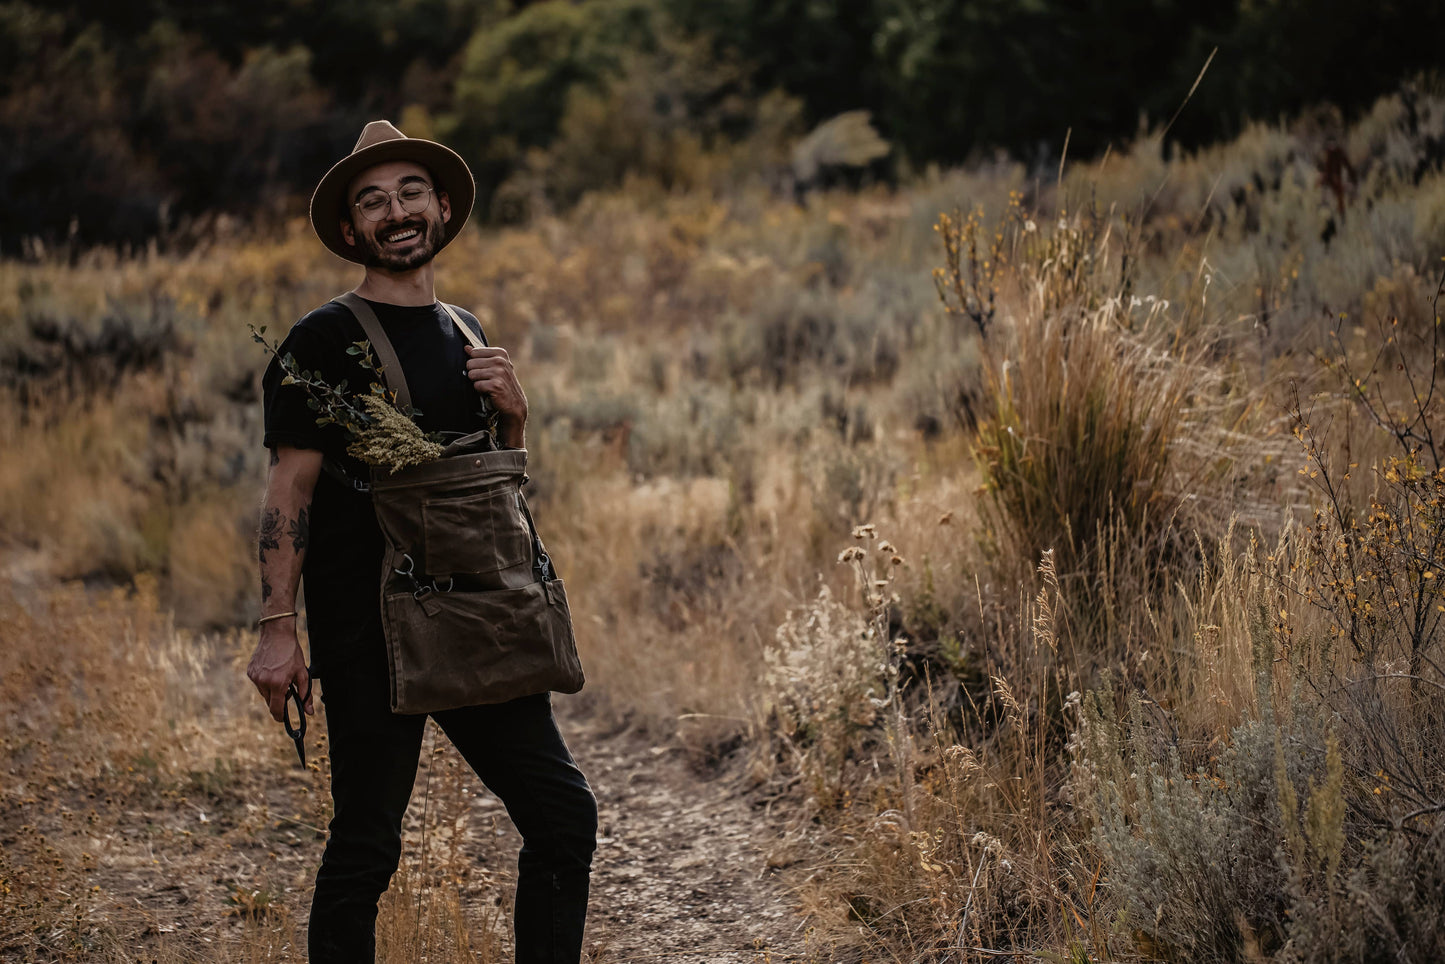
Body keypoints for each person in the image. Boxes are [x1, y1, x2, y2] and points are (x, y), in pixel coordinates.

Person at [245, 120, 597, 963]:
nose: (394, 211)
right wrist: (277, 626)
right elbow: (289, 487)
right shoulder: (322, 341)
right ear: (348, 232)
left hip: (479, 614)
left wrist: (515, 416)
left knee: (562, 817)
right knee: (368, 844)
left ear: (441, 208)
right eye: (372, 202)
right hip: (369, 625)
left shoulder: (468, 329)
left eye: (409, 193)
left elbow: (489, 490)